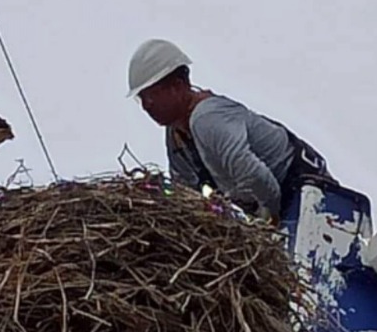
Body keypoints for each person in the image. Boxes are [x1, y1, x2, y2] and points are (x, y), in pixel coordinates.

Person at [127, 39, 336, 226]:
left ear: (177, 86)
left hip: (308, 192)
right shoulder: (177, 138)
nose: (146, 106)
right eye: (141, 99)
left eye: (151, 96)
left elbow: (257, 178)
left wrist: (268, 224)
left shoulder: (207, 119)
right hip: (279, 204)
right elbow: (186, 196)